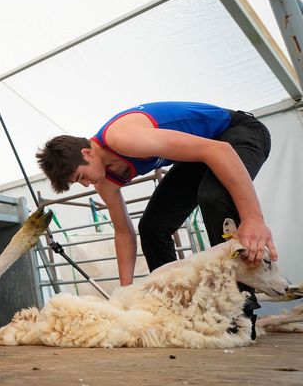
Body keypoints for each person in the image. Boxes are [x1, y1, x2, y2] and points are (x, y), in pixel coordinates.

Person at [36, 101, 272, 333]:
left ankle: (239, 313)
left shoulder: (122, 137)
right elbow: (123, 231)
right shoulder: (105, 182)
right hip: (202, 156)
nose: (86, 184)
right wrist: (124, 294)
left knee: (212, 195)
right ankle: (176, 308)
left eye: (81, 176)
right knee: (152, 227)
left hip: (235, 133)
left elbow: (218, 150)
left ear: (87, 153)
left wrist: (253, 218)